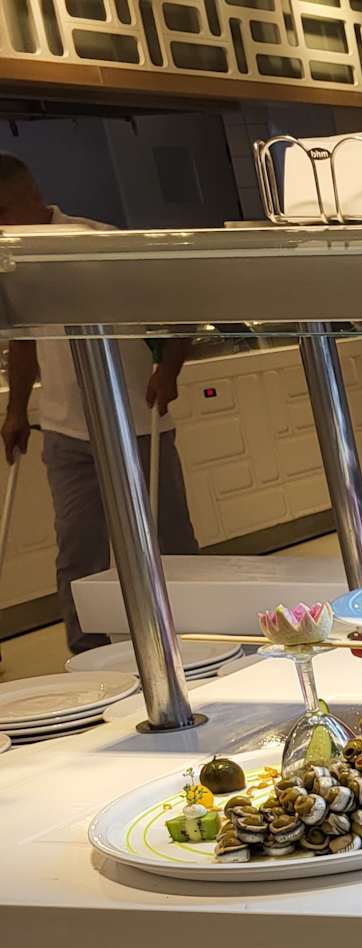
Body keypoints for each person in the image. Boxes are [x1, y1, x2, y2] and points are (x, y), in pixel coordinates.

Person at [0, 153, 197, 653]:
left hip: (136, 419)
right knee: (78, 550)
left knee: (170, 541)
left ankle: (194, 635)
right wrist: (16, 410)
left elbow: (182, 304)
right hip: (65, 431)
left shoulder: (95, 242)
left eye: (1, 210)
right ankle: (88, 652)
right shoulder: (13, 260)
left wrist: (169, 370)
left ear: (29, 196)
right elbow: (23, 340)